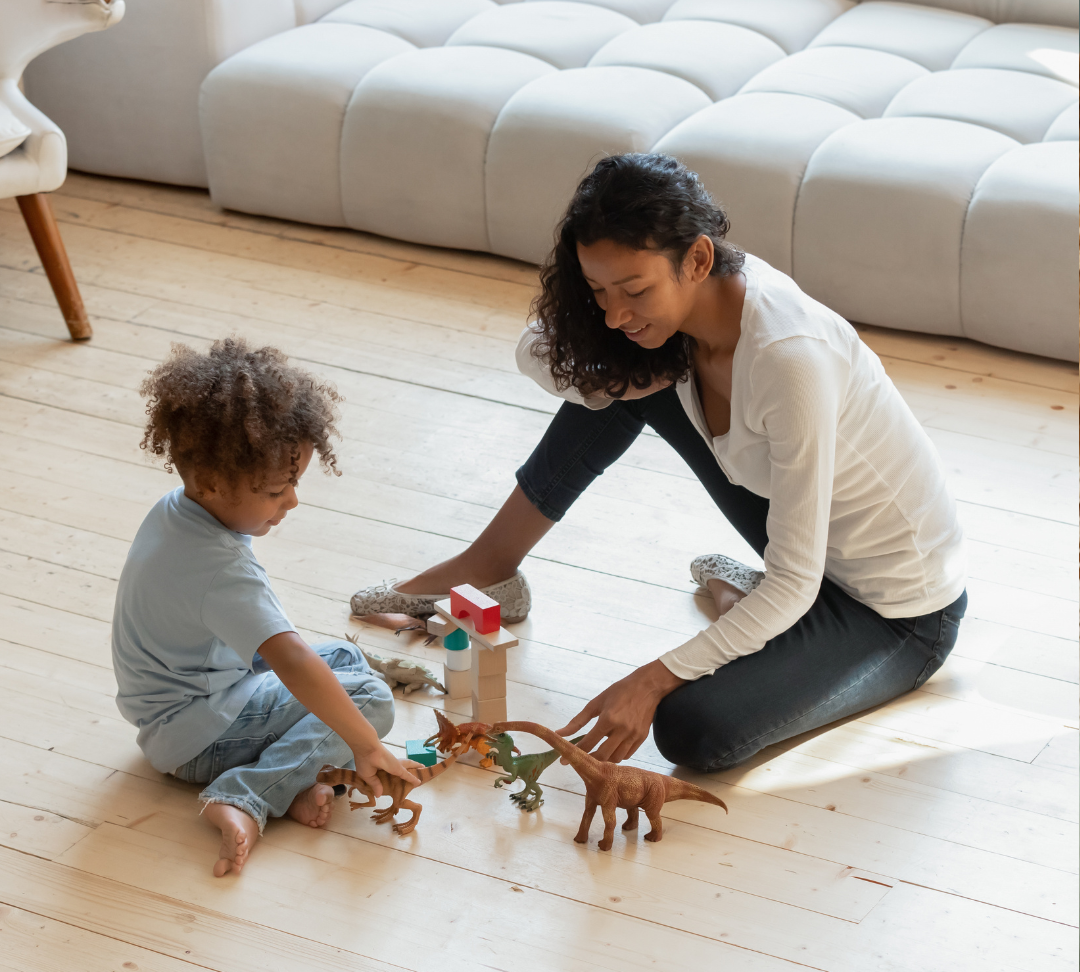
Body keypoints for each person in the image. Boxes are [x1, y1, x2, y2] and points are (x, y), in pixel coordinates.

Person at [352, 152, 967, 772]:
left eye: (636, 290)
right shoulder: (677, 318)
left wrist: (651, 680)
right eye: (598, 291)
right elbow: (539, 351)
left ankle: (762, 620)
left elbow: (795, 580)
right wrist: (622, 344)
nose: (615, 313)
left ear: (697, 259)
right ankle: (492, 567)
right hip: (805, 545)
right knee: (623, 373)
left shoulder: (788, 356)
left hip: (897, 612)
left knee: (692, 729)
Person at [113, 338, 419, 876]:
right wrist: (367, 747)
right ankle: (245, 794)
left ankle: (295, 783)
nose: (292, 501)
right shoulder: (222, 571)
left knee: (346, 663)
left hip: (188, 699)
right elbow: (292, 658)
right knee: (369, 699)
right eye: (278, 490)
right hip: (197, 734)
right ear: (212, 481)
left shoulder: (176, 510)